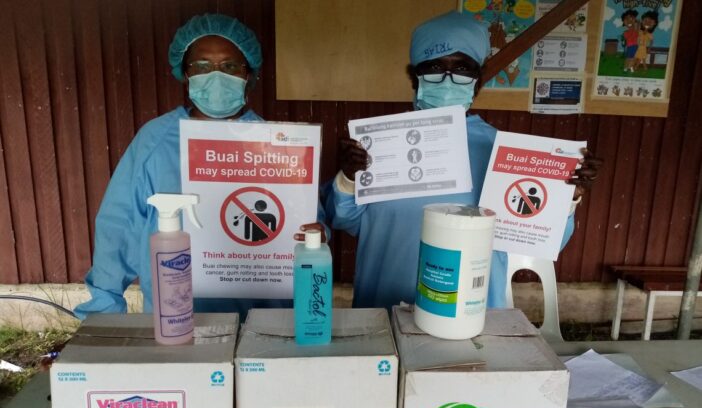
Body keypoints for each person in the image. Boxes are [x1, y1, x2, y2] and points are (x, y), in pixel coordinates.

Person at [325, 11, 601, 311]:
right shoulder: (379, 142)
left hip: (470, 313)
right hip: (384, 306)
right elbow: (345, 220)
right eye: (434, 67)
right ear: (414, 76)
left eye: (462, 68)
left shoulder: (505, 152)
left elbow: (540, 238)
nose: (447, 79)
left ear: (477, 80)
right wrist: (350, 177)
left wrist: (568, 195)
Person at [75, 14, 326, 319]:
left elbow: (308, 220)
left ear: (249, 75)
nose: (216, 76)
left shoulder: (278, 142)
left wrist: (315, 233)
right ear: (184, 73)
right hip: (177, 315)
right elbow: (119, 226)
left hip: (267, 316)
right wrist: (103, 312)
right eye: (202, 67)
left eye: (230, 66)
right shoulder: (156, 140)